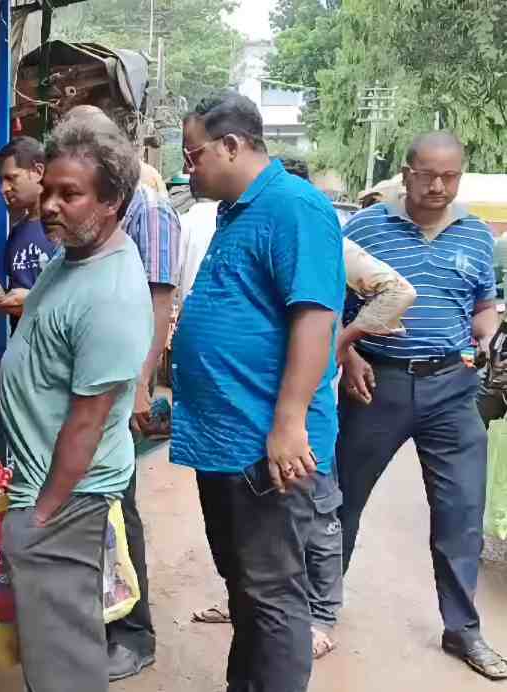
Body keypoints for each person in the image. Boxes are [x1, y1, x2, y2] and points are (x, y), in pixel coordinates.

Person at [187, 156, 417, 661]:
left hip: (293, 416)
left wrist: (345, 341)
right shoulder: (237, 221)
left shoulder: (308, 222)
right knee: (263, 567)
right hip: (240, 422)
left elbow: (370, 298)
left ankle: (321, 613)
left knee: (315, 519)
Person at [171, 90, 345, 692]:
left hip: (265, 444)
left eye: (194, 155)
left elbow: (316, 316)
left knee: (273, 596)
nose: (187, 167)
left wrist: (289, 421)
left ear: (232, 145)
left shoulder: (295, 207)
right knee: (246, 586)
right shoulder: (235, 211)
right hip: (227, 439)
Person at [338, 131, 507, 680]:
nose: (437, 186)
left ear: (460, 175)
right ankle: (316, 610)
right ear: (405, 172)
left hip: (453, 390)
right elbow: (328, 305)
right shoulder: (364, 228)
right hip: (375, 385)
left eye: (449, 176)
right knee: (339, 501)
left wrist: (489, 337)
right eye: (426, 174)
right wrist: (350, 355)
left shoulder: (477, 236)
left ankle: (463, 631)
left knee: (461, 514)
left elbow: (482, 304)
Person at [0, 115, 152, 692]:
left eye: (71, 195)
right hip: (49, 485)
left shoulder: (112, 293)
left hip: (70, 498)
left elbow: (87, 424)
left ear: (112, 200)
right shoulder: (73, 257)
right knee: (53, 639)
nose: (51, 206)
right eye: (50, 190)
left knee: (64, 657)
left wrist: (42, 514)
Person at [52, 103, 181, 680]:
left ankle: (134, 631)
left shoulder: (145, 209)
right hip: (92, 381)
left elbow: (157, 300)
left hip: (118, 384)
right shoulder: (83, 223)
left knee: (115, 510)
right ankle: (98, 622)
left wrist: (141, 386)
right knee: (95, 517)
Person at [0, 136, 59, 330]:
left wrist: (31, 302)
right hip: (22, 348)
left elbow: (78, 299)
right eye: (1, 181)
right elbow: (20, 289)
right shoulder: (16, 235)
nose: (4, 189)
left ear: (37, 171)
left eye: (11, 178)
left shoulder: (64, 229)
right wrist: (0, 294)